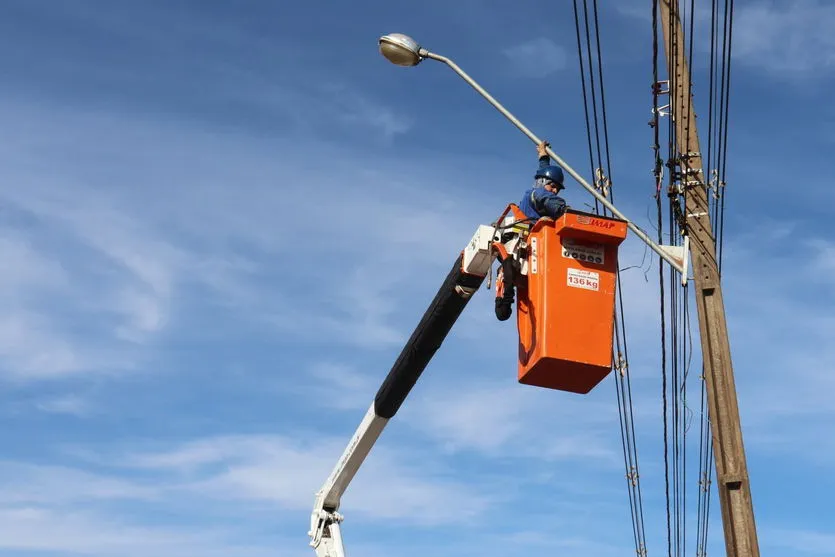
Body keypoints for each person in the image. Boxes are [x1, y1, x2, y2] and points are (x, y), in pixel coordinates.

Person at [518, 140, 568, 221]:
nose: (555, 191)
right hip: (533, 231)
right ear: (542, 182)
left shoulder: (541, 203)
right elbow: (544, 196)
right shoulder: (535, 194)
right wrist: (565, 211)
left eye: (558, 189)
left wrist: (543, 154)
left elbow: (544, 171)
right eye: (553, 186)